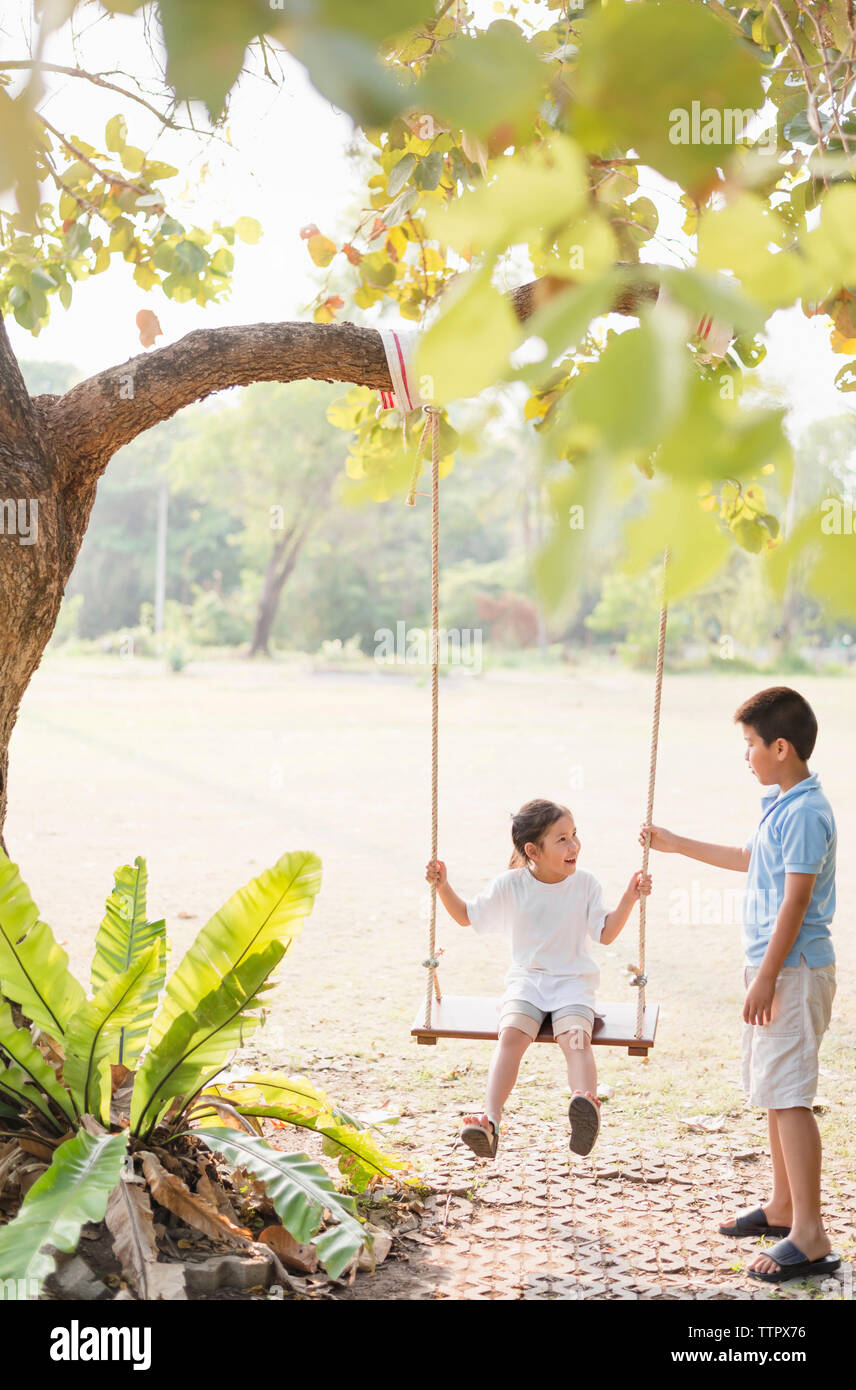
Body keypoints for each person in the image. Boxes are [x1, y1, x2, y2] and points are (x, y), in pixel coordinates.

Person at [642, 686, 840, 1284]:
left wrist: (769, 977)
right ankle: (783, 1208)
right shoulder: (783, 803)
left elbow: (796, 901)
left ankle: (810, 1235)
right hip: (774, 969)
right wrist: (675, 844)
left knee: (790, 1097)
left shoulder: (805, 813)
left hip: (793, 970)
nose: (746, 755)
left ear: (780, 747)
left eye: (750, 745)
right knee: (773, 1090)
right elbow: (751, 858)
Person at [425, 798, 651, 1159]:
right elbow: (467, 916)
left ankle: (584, 1103)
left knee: (575, 1038)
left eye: (574, 835)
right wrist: (443, 886)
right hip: (527, 981)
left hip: (573, 983)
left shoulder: (585, 884)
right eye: (561, 839)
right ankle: (491, 1120)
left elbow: (605, 933)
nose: (574, 845)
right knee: (511, 1035)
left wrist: (629, 897)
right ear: (533, 850)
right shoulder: (511, 885)